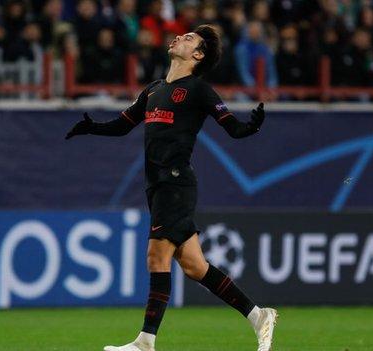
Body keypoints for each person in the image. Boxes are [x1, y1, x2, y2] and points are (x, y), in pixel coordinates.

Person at [66, 24, 278, 351]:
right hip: (156, 185)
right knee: (194, 265)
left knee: (156, 255)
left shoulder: (199, 90)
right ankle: (257, 315)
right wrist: (92, 127)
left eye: (190, 37)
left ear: (198, 55)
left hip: (176, 182)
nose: (180, 36)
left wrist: (252, 126)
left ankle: (145, 342)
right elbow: (124, 125)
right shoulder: (153, 89)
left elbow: (232, 128)